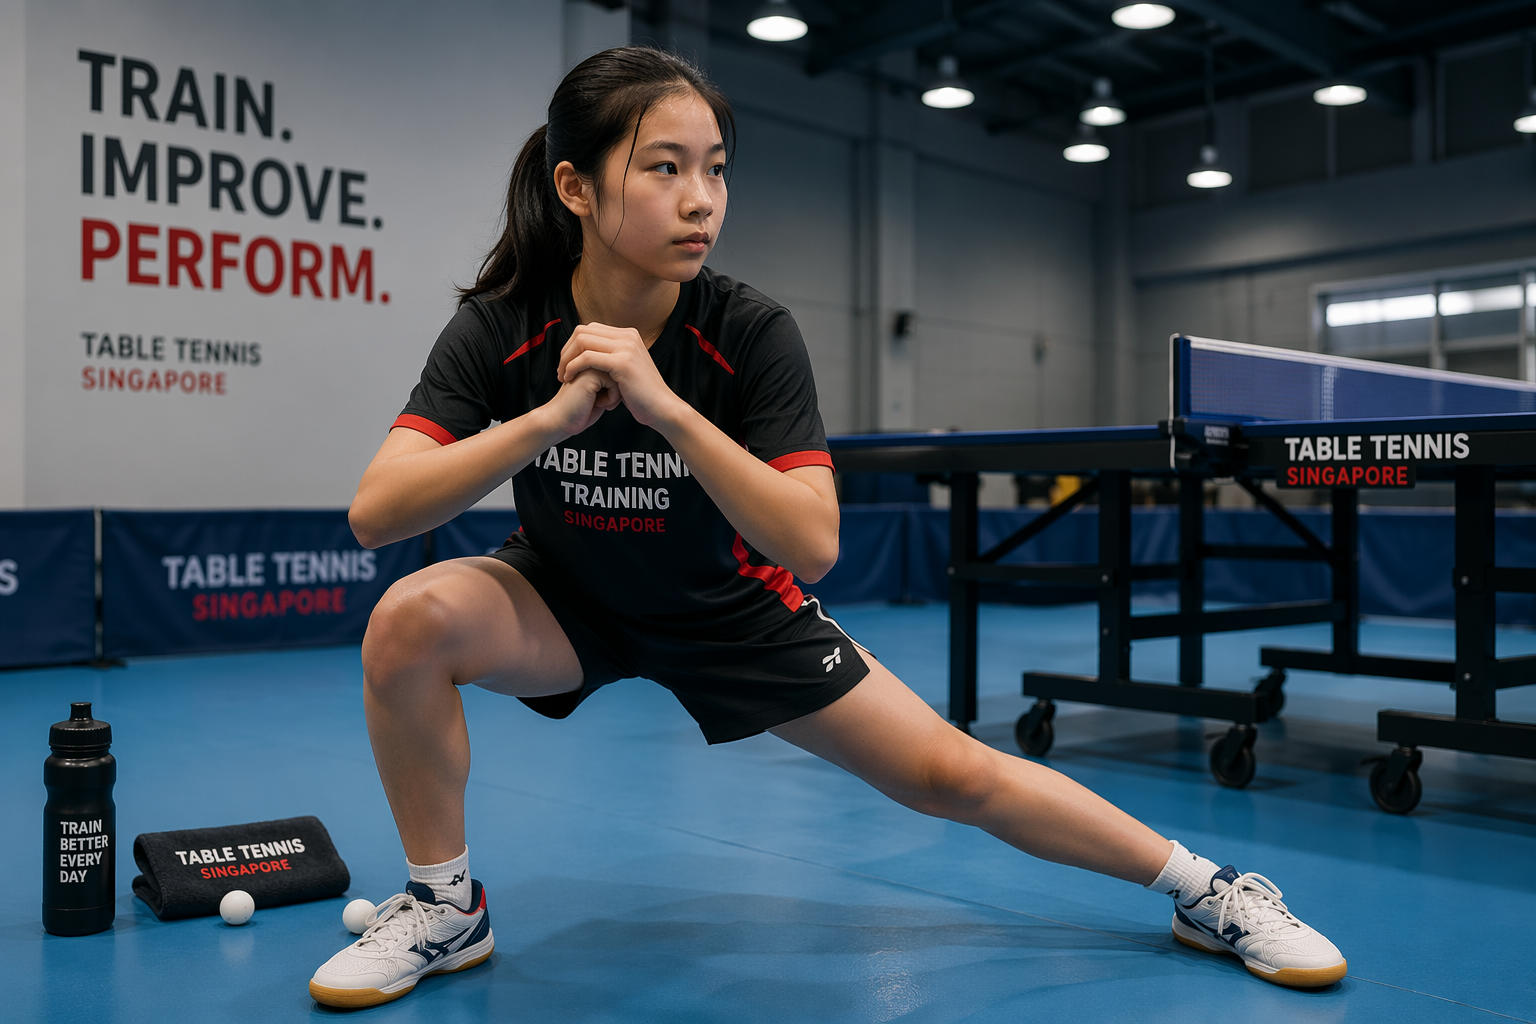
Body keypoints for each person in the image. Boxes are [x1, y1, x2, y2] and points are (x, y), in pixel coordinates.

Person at [307, 46, 1346, 1009]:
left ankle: (1209, 890)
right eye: (665, 168)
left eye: (716, 169)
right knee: (409, 619)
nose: (702, 198)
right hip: (564, 600)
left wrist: (665, 408)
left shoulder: (749, 331)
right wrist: (544, 422)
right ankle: (445, 909)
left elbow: (812, 544)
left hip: (731, 611)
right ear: (575, 187)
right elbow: (377, 512)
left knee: (954, 774)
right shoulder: (504, 323)